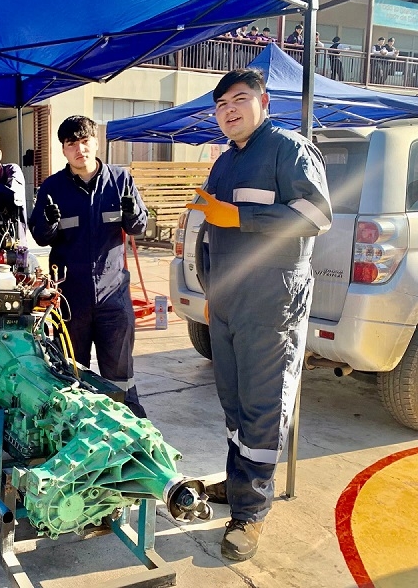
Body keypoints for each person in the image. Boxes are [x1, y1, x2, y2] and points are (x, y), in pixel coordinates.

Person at [186, 69, 332, 562]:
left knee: (263, 406)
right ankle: (238, 481)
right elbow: (210, 230)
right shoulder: (224, 163)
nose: (229, 109)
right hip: (227, 303)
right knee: (232, 401)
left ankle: (250, 513)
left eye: (239, 99)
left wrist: (242, 217)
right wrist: (210, 289)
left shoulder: (288, 149)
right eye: (221, 103)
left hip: (271, 303)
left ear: (263, 101)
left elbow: (316, 216)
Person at [28, 115, 149, 418]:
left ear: (96, 142)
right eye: (72, 143)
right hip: (71, 301)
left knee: (119, 374)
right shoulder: (52, 188)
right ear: (64, 150)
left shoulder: (121, 181)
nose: (80, 148)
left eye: (85, 141)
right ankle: (79, 434)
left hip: (113, 299)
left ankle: (127, 431)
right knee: (72, 374)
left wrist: (133, 215)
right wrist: (49, 225)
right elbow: (40, 237)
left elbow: (139, 228)